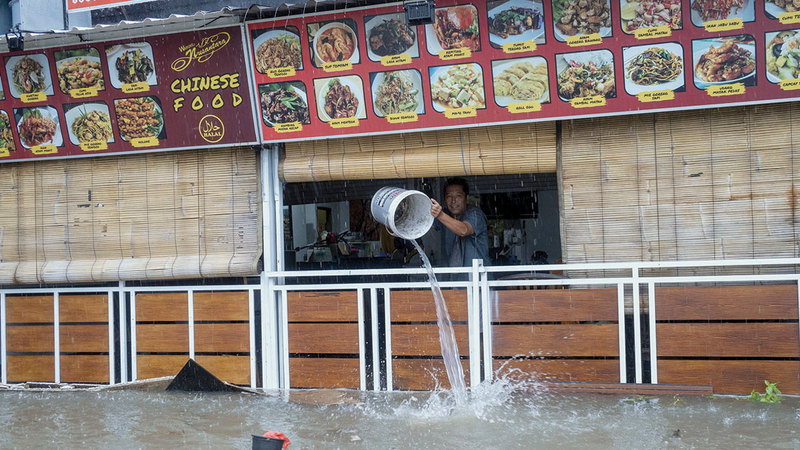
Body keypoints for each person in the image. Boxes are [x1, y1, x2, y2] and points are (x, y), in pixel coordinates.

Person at [430, 177, 489, 267]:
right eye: (449, 196)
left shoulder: (475, 214)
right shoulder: (446, 214)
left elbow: (463, 230)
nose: (453, 201)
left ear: (466, 198)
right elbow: (423, 223)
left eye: (458, 196)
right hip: (453, 275)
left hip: (477, 274)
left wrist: (440, 215)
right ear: (445, 199)